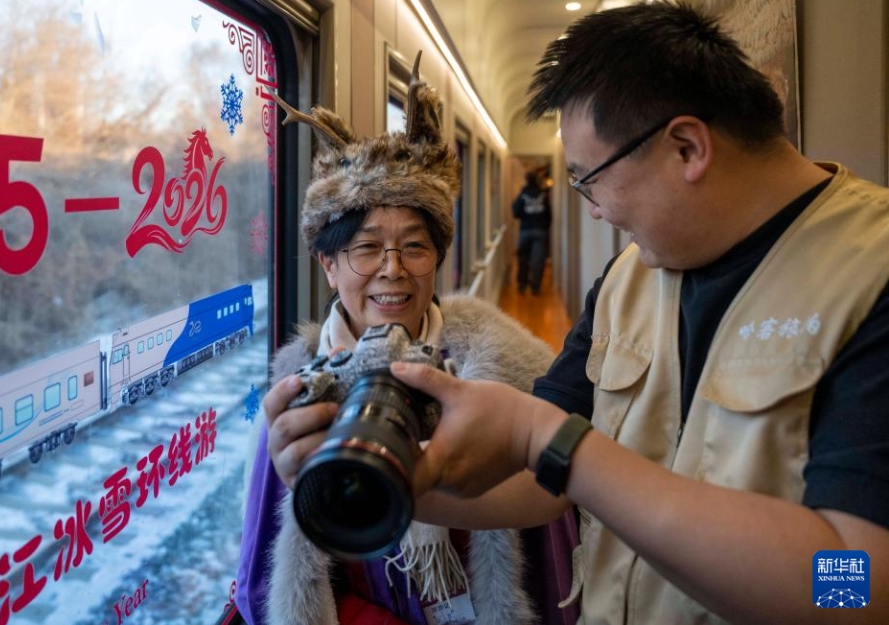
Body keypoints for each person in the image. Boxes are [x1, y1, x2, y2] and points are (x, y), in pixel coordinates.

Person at [264, 4, 889, 624]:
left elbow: (857, 589)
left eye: (589, 181)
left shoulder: (869, 276)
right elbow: (543, 482)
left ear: (686, 148)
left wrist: (549, 441)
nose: (592, 212)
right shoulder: (627, 282)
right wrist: (375, 478)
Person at [236, 54, 579, 625]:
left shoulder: (503, 371)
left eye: (415, 248)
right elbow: (265, 581)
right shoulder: (300, 391)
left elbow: (551, 566)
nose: (392, 270)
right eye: (367, 248)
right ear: (328, 265)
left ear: (439, 260)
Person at [512, 168, 553, 294]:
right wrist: (545, 228)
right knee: (538, 259)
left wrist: (524, 217)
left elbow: (515, 211)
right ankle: (536, 287)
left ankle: (522, 285)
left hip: (525, 230)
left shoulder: (523, 194)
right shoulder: (543, 194)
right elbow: (549, 214)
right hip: (540, 231)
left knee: (523, 258)